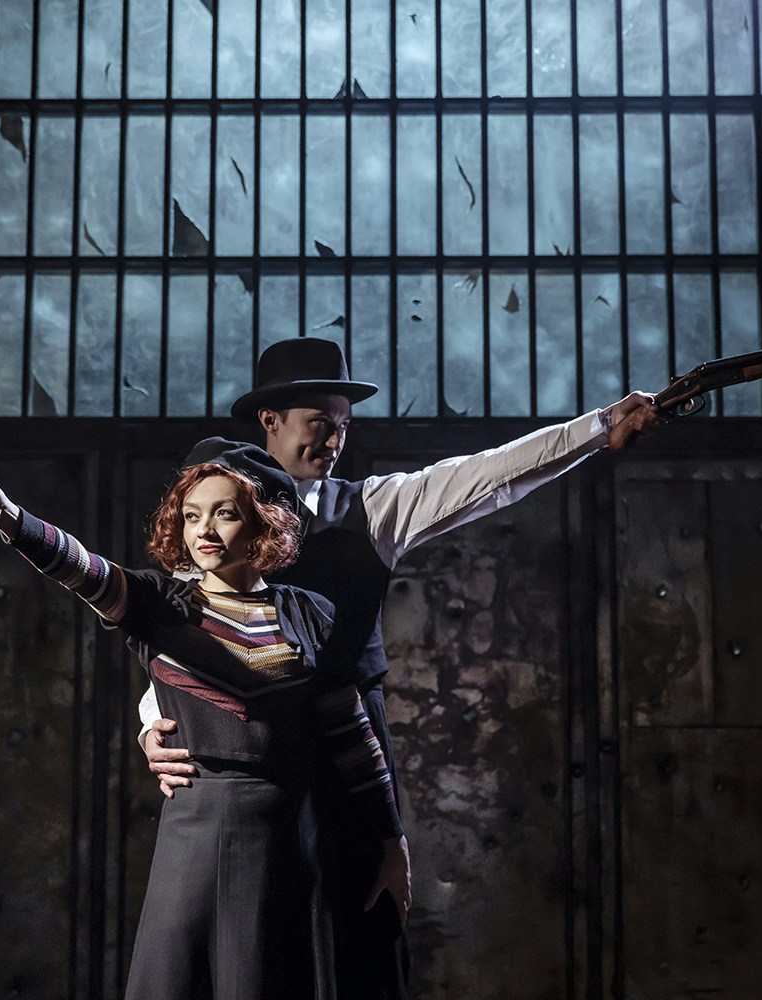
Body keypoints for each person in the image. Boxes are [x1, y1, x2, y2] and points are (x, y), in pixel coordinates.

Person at [139, 336, 665, 999]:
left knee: (360, 947)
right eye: (319, 423)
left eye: (344, 426)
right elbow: (173, 654)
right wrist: (150, 727)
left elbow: (489, 473)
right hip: (254, 774)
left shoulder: (373, 510)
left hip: (351, 764)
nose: (333, 439)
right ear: (270, 421)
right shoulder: (211, 524)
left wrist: (599, 427)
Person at [0, 441, 410, 1000]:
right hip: (195, 827)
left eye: (224, 513)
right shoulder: (159, 604)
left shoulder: (309, 610)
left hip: (292, 836)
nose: (204, 529)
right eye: (191, 516)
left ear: (263, 527)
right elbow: (80, 567)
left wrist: (391, 840)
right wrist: (7, 516)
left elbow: (352, 735)